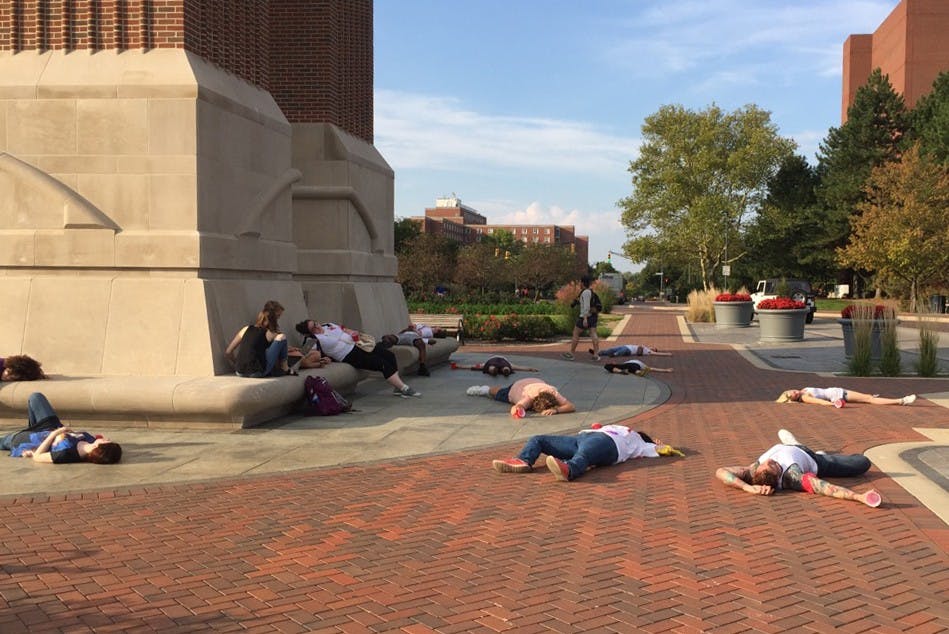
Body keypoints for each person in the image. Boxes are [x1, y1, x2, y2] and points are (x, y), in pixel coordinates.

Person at [715, 428, 882, 507]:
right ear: (778, 475)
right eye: (773, 465)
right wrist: (859, 497)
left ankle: (793, 442)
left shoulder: (754, 469)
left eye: (767, 463)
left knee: (792, 445)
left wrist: (747, 488)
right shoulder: (793, 477)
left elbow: (721, 471)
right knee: (862, 463)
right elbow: (827, 488)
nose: (770, 461)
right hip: (815, 460)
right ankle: (818, 453)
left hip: (792, 448)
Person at [492, 424, 684, 481]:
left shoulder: (641, 443)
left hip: (609, 445)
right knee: (538, 439)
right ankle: (524, 461)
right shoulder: (617, 427)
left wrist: (660, 444)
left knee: (584, 454)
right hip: (582, 437)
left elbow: (666, 450)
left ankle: (570, 469)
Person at [295, 320, 421, 397]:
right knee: (381, 364)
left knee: (389, 355)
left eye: (316, 323)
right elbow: (308, 355)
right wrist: (322, 359)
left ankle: (397, 387)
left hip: (359, 345)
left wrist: (353, 333)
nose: (318, 327)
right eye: (313, 328)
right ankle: (404, 388)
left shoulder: (328, 325)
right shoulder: (313, 339)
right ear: (310, 332)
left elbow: (343, 329)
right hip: (348, 355)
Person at [0, 392, 122, 464]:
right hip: (50, 427)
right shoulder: (91, 441)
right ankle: (34, 427)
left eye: (107, 441)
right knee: (36, 397)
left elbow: (37, 457)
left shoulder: (67, 454)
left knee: (5, 441)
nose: (108, 438)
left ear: (98, 447)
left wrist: (56, 433)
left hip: (31, 440)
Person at [224, 310, 292, 377]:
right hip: (257, 372)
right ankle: (285, 367)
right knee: (282, 336)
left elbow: (228, 352)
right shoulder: (269, 333)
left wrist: (237, 364)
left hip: (239, 372)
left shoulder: (246, 329)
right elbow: (279, 343)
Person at [466, 377, 575, 417]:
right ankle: (484, 390)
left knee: (501, 389)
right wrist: (518, 411)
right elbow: (518, 406)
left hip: (531, 381)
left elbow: (571, 406)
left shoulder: (552, 392)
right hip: (515, 389)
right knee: (499, 393)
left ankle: (486, 389)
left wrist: (556, 410)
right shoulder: (529, 398)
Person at [380, 323, 445, 377]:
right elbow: (400, 333)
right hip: (402, 336)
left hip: (414, 337)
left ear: (437, 331)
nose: (438, 327)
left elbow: (421, 335)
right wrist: (408, 329)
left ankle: (422, 367)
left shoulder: (429, 332)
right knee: (387, 336)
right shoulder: (427, 327)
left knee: (421, 344)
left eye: (440, 328)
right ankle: (385, 344)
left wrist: (426, 340)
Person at [562, 276, 599, 361]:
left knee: (575, 333)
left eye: (580, 283)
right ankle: (596, 355)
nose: (579, 284)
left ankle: (571, 353)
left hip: (585, 316)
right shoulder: (590, 291)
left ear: (582, 283)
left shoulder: (585, 292)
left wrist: (585, 318)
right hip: (593, 316)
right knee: (593, 334)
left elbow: (586, 306)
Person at [776, 387, 916, 407]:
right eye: (792, 396)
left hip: (840, 391)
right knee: (870, 399)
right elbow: (819, 402)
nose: (793, 393)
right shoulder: (805, 397)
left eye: (791, 392)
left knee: (868, 397)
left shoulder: (802, 390)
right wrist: (834, 404)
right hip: (840, 394)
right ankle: (902, 400)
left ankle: (901, 401)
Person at [454, 355, 539, 377]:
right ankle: (506, 370)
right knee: (509, 367)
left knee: (488, 367)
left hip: (491, 362)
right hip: (504, 362)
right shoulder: (507, 362)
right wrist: (530, 369)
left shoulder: (487, 363)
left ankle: (492, 370)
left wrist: (460, 366)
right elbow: (520, 367)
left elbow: (473, 366)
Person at [603, 359, 673, 376]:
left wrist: (665, 370)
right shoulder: (642, 364)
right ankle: (621, 371)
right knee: (634, 370)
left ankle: (621, 371)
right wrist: (665, 370)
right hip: (628, 366)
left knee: (607, 366)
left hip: (626, 366)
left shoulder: (641, 364)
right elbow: (652, 368)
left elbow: (652, 368)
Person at [594, 344, 672, 357]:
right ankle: (598, 353)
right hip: (626, 346)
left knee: (622, 351)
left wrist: (667, 354)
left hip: (629, 350)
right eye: (653, 347)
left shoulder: (649, 352)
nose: (652, 348)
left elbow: (658, 354)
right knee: (611, 349)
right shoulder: (646, 347)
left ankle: (615, 355)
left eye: (654, 349)